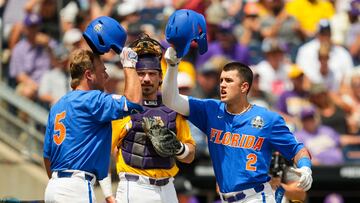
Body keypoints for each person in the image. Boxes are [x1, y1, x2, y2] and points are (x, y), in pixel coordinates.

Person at [162, 47, 313, 203]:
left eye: (229, 80)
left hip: (256, 197)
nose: (222, 85)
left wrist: (306, 167)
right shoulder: (211, 110)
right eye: (221, 80)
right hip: (226, 198)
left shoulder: (268, 119)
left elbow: (297, 149)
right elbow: (170, 100)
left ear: (244, 87)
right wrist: (173, 66)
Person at [43, 17, 143, 203]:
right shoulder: (92, 100)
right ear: (89, 75)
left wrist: (60, 187)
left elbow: (47, 158)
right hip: (77, 187)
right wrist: (128, 63)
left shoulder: (58, 105)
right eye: (102, 70)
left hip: (53, 187)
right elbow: (134, 102)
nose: (106, 75)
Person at [111, 34, 196, 203]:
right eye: (141, 74)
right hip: (135, 186)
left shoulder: (172, 108)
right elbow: (108, 151)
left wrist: (179, 148)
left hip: (168, 188)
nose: (147, 79)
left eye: (152, 73)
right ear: (134, 76)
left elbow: (190, 155)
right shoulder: (121, 108)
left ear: (160, 78)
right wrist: (107, 191)